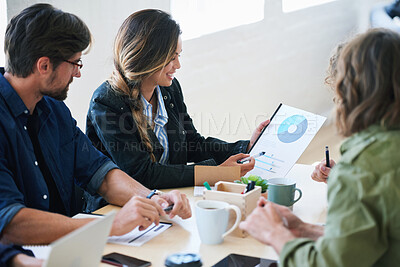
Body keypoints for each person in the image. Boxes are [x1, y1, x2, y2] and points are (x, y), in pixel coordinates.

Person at [0, 3, 191, 246]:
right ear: (44, 66)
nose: (77, 74)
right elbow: (10, 223)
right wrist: (108, 225)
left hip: (70, 247)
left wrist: (154, 199)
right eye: (75, 64)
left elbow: (100, 173)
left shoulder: (53, 110)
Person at [240, 28, 400, 266]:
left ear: (350, 92)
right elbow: (373, 239)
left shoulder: (363, 168)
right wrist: (305, 229)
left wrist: (275, 234)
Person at [86, 9, 268, 191]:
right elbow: (142, 175)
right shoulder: (107, 102)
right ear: (148, 56)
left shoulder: (169, 89)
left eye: (178, 56)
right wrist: (217, 173)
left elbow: (192, 143)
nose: (178, 65)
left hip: (166, 200)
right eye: (171, 57)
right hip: (118, 210)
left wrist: (246, 146)